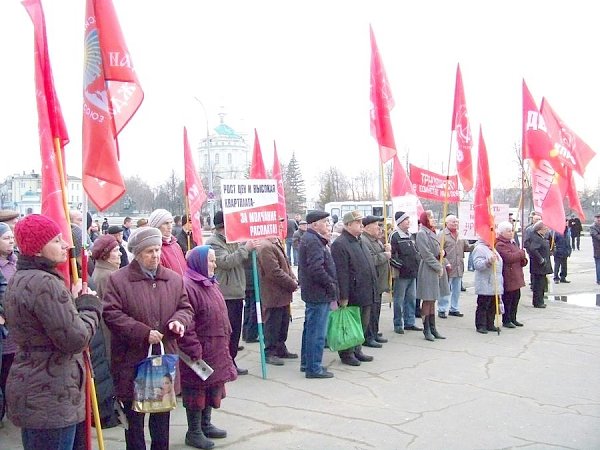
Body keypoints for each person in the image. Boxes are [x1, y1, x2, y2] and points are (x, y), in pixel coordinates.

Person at [4, 214, 103, 450]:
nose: (65, 245)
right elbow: (75, 339)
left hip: (33, 384)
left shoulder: (20, 277)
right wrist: (89, 306)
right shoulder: (46, 283)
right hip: (51, 391)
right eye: (57, 240)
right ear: (38, 249)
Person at [102, 226, 194, 450]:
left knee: (161, 419)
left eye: (157, 250)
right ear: (137, 253)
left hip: (163, 360)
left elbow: (186, 308)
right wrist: (142, 333)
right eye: (149, 251)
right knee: (134, 420)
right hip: (131, 360)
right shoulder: (119, 280)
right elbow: (111, 314)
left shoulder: (173, 279)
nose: (155, 255)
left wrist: (178, 321)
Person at [177, 245, 237, 449]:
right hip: (199, 350)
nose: (214, 264)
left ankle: (205, 424)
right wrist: (194, 350)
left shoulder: (209, 283)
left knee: (212, 385)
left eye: (214, 260)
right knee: (196, 390)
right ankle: (193, 431)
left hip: (215, 347)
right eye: (210, 260)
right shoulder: (188, 285)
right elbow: (187, 323)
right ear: (199, 262)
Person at [206, 211, 257, 376]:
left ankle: (231, 360)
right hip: (225, 293)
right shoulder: (213, 243)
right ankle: (225, 363)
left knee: (235, 332)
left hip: (237, 291)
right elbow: (226, 262)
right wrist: (245, 249)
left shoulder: (234, 239)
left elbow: (242, 259)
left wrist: (251, 249)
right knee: (226, 331)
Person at [331, 210, 376, 366]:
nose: (361, 225)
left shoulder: (360, 240)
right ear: (349, 224)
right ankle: (347, 353)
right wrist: (343, 295)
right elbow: (341, 272)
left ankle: (357, 349)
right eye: (358, 222)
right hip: (352, 292)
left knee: (362, 322)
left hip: (365, 289)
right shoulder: (340, 244)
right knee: (350, 324)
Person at [298, 210, 337, 378]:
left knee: (311, 329)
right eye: (324, 222)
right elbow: (316, 268)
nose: (327, 225)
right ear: (315, 224)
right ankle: (314, 368)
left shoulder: (312, 239)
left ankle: (308, 363)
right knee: (317, 332)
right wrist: (330, 284)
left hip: (315, 292)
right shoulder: (313, 241)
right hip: (318, 292)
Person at [90, 234, 122, 428]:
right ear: (106, 255)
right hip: (108, 332)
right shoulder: (107, 276)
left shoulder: (107, 273)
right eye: (116, 251)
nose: (119, 254)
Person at [257, 237, 299, 365]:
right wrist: (291, 283)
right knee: (272, 324)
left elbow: (286, 265)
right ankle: (270, 352)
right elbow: (274, 271)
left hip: (282, 293)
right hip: (273, 293)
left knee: (283, 322)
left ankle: (280, 347)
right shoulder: (265, 246)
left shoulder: (274, 242)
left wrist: (293, 278)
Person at [415, 210, 448, 341]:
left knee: (433, 298)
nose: (433, 219)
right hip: (428, 268)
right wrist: (438, 266)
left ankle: (433, 328)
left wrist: (442, 253)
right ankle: (426, 328)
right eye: (431, 217)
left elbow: (435, 250)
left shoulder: (432, 232)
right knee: (428, 299)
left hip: (435, 266)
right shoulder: (422, 234)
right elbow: (426, 254)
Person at [360, 215, 391, 347]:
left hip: (379, 281)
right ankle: (369, 335)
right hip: (373, 281)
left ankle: (374, 331)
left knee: (376, 309)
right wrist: (385, 255)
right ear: (367, 228)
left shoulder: (375, 240)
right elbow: (370, 260)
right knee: (370, 311)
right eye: (376, 225)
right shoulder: (364, 241)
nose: (379, 228)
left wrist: (386, 249)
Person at [389, 211, 422, 334]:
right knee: (399, 300)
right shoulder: (394, 236)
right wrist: (401, 266)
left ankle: (410, 322)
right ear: (400, 222)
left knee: (411, 299)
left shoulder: (410, 235)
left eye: (408, 219)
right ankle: (398, 323)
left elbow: (415, 252)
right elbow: (391, 256)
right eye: (405, 220)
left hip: (412, 273)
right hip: (401, 275)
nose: (408, 222)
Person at [437, 214, 473, 318]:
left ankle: (454, 308)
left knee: (456, 289)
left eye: (456, 222)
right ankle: (442, 309)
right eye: (453, 222)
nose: (455, 224)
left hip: (458, 266)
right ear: (447, 223)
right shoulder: (442, 235)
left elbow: (466, 247)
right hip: (448, 265)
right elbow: (438, 250)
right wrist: (444, 262)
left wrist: (475, 245)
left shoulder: (460, 234)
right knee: (445, 288)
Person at [0, 222, 17, 425]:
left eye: (12, 237)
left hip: (16, 334)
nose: (11, 240)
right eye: (6, 237)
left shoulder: (17, 262)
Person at [495, 221, 527, 328]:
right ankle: (506, 319)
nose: (511, 233)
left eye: (512, 231)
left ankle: (513, 318)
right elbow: (509, 258)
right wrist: (521, 254)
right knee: (508, 299)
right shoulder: (500, 244)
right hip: (508, 275)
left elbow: (517, 256)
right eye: (508, 231)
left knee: (516, 298)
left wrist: (523, 259)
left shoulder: (512, 242)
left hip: (516, 274)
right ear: (502, 233)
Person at [472, 235, 504, 334]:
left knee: (492, 305)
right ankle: (481, 325)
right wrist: (488, 262)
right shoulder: (479, 248)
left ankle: (490, 323)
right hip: (485, 281)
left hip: (495, 281)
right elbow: (477, 265)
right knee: (483, 304)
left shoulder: (492, 248)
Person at [149, 208, 188, 276]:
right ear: (156, 226)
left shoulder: (176, 245)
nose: (170, 226)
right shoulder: (154, 249)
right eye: (166, 223)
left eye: (171, 223)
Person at [526, 221, 552, 308]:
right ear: (539, 230)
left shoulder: (540, 237)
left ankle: (540, 301)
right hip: (539, 266)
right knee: (538, 285)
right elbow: (533, 249)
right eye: (545, 229)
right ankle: (538, 302)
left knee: (541, 284)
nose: (546, 230)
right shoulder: (536, 238)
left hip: (542, 266)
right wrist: (541, 259)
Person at [241, 258, 259, 344]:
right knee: (254, 308)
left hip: (246, 280)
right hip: (252, 280)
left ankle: (246, 333)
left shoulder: (241, 246)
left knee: (248, 308)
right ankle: (251, 334)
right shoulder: (251, 247)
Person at [591, 213, 600, 285]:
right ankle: (599, 280)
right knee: (598, 265)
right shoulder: (593, 227)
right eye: (598, 218)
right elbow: (597, 237)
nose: (599, 219)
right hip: (598, 250)